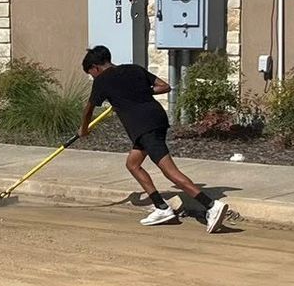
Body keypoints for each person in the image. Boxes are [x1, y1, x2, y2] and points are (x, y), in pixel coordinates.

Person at [80, 45, 228, 231]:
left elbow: (88, 110)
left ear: (95, 67)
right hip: (157, 118)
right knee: (132, 164)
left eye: (91, 73)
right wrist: (138, 92)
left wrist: (83, 129)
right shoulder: (134, 69)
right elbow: (164, 86)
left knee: (169, 171)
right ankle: (161, 207)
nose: (92, 76)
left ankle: (211, 206)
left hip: (144, 126)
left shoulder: (101, 80)